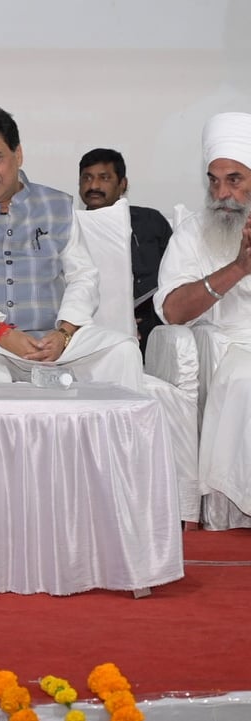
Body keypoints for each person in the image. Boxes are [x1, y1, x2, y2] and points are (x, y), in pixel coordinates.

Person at [0, 106, 142, 389]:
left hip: (55, 342)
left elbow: (83, 277)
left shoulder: (57, 205)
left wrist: (64, 334)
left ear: (17, 154)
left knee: (122, 351)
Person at [155, 111, 251, 523]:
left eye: (234, 180)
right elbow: (172, 311)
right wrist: (238, 269)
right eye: (214, 180)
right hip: (230, 351)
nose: (221, 193)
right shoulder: (193, 232)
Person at [79, 148, 172, 355]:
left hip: (150, 323)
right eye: (87, 178)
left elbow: (175, 278)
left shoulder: (151, 222)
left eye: (104, 178)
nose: (93, 186)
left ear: (123, 184)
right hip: (92, 324)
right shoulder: (70, 228)